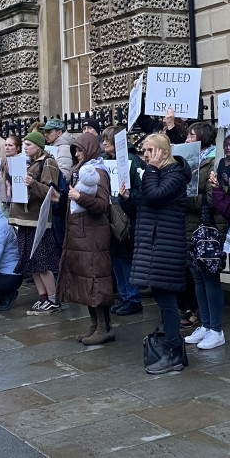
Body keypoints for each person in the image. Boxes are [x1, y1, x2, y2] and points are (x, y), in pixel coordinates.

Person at [131, 133, 192, 374]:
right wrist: (127, 199)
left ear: (164, 153)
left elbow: (155, 197)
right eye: (144, 150)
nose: (145, 155)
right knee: (163, 300)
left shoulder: (174, 174)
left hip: (166, 247)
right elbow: (143, 204)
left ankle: (173, 354)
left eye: (150, 150)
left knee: (168, 302)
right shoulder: (157, 173)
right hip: (155, 245)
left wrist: (152, 171)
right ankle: (173, 352)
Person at [58, 132, 114, 343]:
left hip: (93, 234)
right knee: (86, 282)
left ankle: (105, 327)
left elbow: (101, 204)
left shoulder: (98, 171)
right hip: (81, 234)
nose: (77, 154)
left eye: (80, 150)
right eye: (75, 150)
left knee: (96, 280)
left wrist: (79, 197)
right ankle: (95, 326)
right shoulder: (79, 170)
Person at [185, 121, 227, 351]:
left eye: (192, 135)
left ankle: (216, 329)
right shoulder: (190, 160)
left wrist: (185, 198)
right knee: (197, 277)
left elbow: (212, 199)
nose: (188, 139)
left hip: (209, 227)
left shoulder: (215, 160)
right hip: (191, 226)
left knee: (210, 278)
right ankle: (205, 324)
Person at [14, 132, 63, 315]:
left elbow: (51, 192)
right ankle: (42, 298)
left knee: (42, 261)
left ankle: (53, 299)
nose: (25, 147)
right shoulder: (31, 163)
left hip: (38, 219)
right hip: (26, 218)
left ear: (38, 146)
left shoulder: (48, 162)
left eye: (28, 144)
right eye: (24, 144)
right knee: (31, 261)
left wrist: (32, 183)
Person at [101, 125, 143, 316]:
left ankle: (133, 298)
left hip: (126, 215)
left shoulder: (132, 160)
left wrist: (126, 196)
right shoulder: (106, 161)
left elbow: (140, 188)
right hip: (111, 213)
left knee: (125, 258)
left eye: (107, 139)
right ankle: (124, 295)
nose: (104, 143)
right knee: (115, 257)